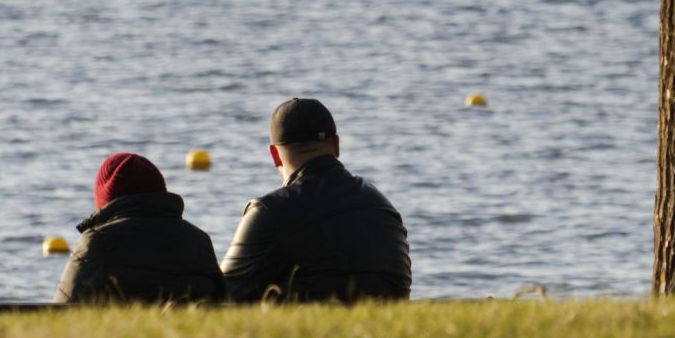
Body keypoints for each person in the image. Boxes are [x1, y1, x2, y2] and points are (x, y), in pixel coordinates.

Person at [220, 97, 412, 303]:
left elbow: (220, 298)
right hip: (387, 324)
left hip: (311, 331)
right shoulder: (379, 202)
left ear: (275, 155)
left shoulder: (269, 212)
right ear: (336, 145)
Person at [56, 152, 223, 305]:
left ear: (105, 202)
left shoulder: (96, 241)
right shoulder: (200, 241)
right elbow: (223, 303)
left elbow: (61, 312)